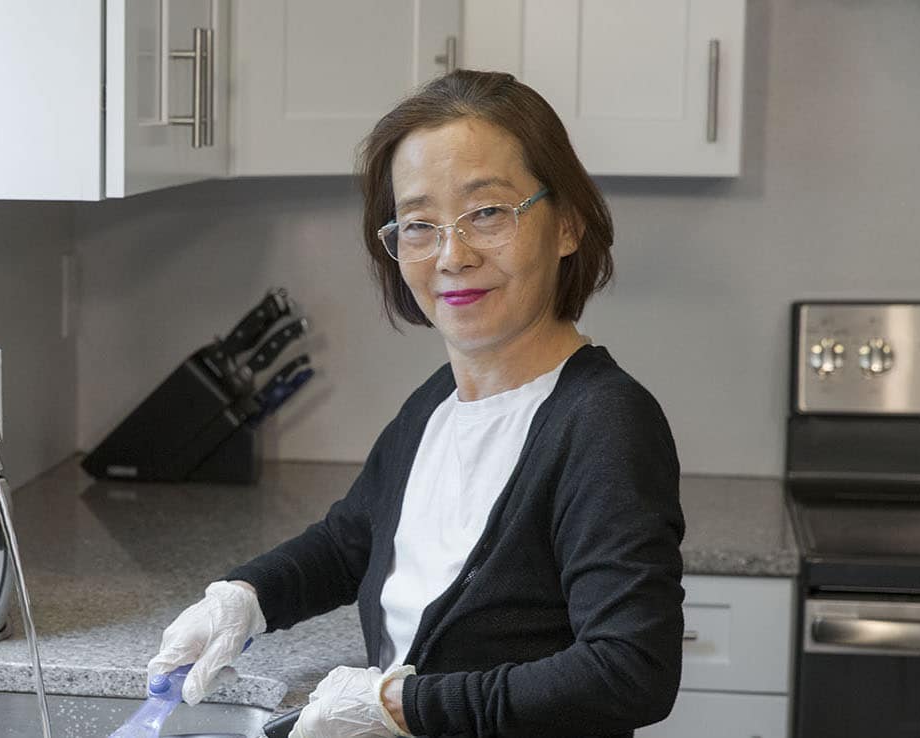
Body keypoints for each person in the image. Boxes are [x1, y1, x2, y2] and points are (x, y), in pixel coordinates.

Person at [145, 70, 686, 738]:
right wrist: (245, 598)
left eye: (487, 213)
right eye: (419, 224)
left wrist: (401, 706)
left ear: (567, 224)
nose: (451, 255)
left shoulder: (604, 423)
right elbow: (353, 542)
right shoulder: (437, 403)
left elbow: (630, 671)